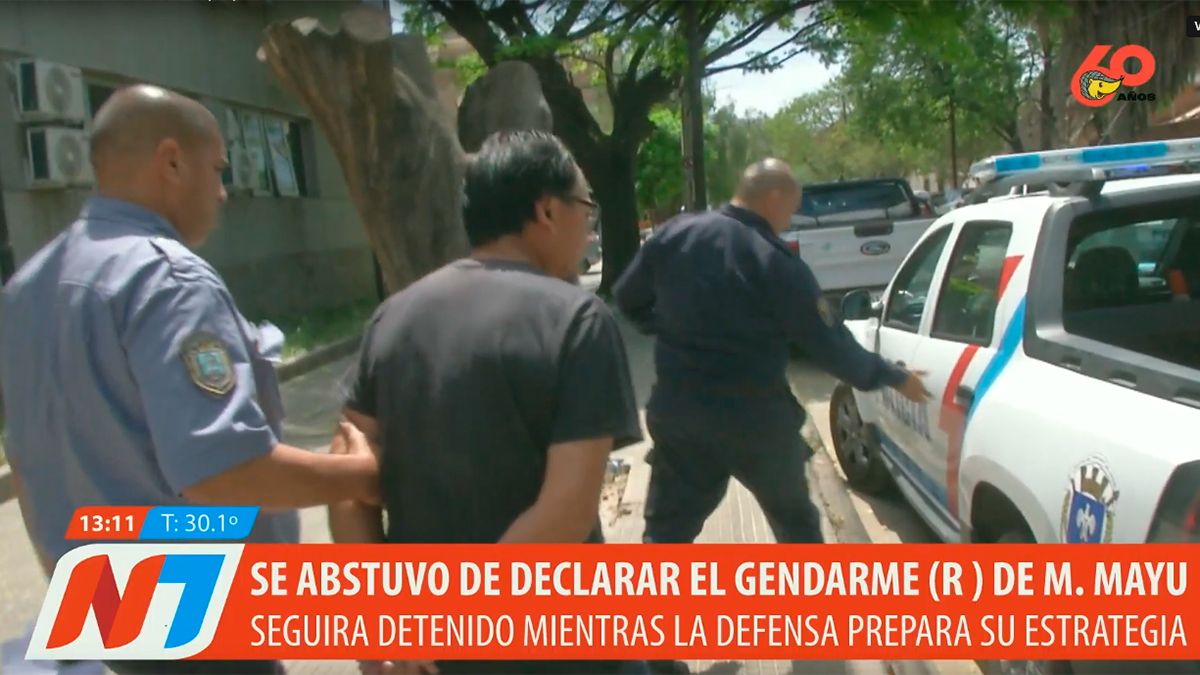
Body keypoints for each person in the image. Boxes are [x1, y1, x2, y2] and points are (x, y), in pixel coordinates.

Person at [0, 85, 380, 675]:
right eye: (218, 169)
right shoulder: (166, 279)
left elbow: (26, 464)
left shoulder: (27, 289)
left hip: (103, 613)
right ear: (172, 162)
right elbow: (224, 472)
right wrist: (364, 475)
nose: (222, 192)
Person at [329, 130, 646, 675]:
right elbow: (567, 513)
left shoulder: (394, 316)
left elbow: (347, 477)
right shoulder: (577, 319)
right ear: (547, 211)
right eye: (586, 206)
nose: (590, 227)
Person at [613, 158, 931, 546]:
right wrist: (893, 376)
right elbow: (830, 346)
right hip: (756, 421)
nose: (789, 218)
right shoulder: (774, 260)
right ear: (774, 198)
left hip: (682, 414)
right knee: (797, 529)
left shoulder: (676, 235)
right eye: (791, 207)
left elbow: (627, 298)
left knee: (666, 535)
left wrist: (667, 326)